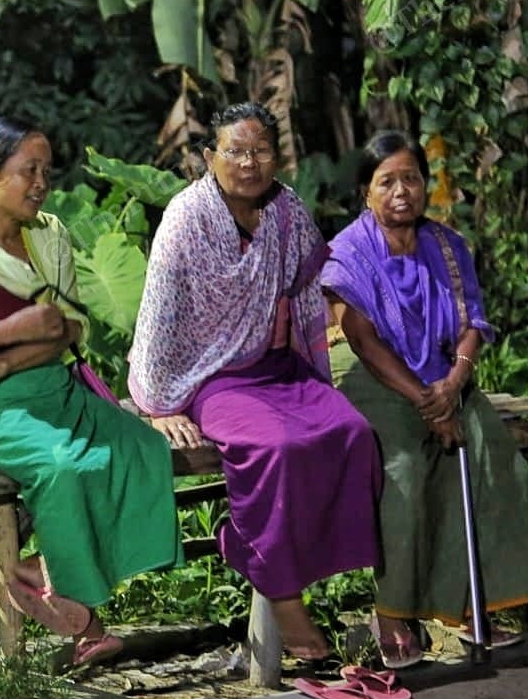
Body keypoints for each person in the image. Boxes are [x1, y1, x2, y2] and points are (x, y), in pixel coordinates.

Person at [0, 116, 186, 668]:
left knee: (144, 449)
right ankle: (83, 620)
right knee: (63, 468)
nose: (42, 182)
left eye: (47, 170)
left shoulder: (49, 237)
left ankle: (45, 572)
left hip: (50, 382)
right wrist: (16, 330)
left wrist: (3, 361)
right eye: (29, 170)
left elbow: (65, 332)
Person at [128, 101, 382, 659]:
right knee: (279, 447)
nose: (248, 162)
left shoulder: (286, 209)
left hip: (280, 371)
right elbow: (159, 316)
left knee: (354, 435)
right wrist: (159, 403)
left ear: (276, 155)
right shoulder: (186, 217)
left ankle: (305, 573)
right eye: (235, 151)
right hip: (212, 377)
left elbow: (312, 280)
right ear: (208, 157)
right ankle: (282, 593)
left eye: (260, 150)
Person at [321, 130, 528, 669]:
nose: (402, 192)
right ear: (366, 193)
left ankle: (471, 606)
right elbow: (364, 340)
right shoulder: (348, 253)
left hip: (444, 376)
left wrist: (454, 383)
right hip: (376, 376)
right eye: (386, 181)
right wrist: (425, 402)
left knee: (493, 455)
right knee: (404, 465)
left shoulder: (447, 245)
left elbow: (473, 324)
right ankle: (393, 613)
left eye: (411, 178)